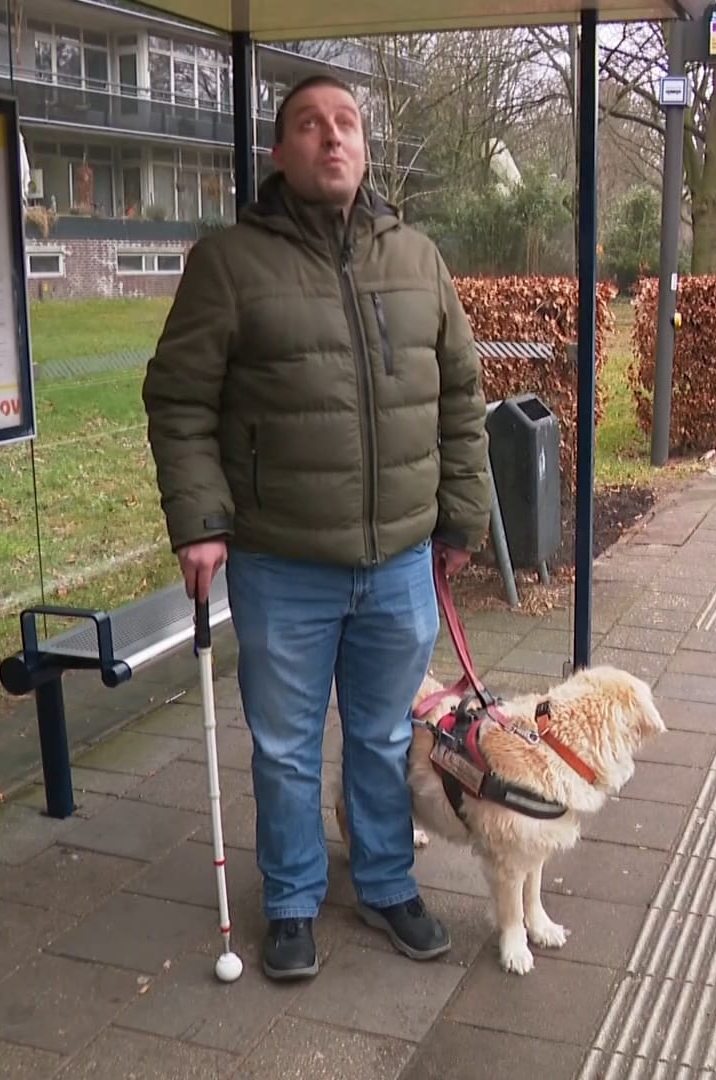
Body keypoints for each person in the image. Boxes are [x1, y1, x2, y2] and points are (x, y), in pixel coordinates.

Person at [142, 74, 492, 981]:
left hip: (400, 560)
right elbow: (179, 399)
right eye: (309, 125)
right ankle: (293, 899)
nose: (332, 138)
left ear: (365, 147)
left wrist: (462, 514)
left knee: (384, 738)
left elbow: (460, 396)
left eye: (346, 124)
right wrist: (200, 522)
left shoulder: (417, 259)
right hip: (281, 561)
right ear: (279, 151)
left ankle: (385, 882)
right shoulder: (229, 263)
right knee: (287, 750)